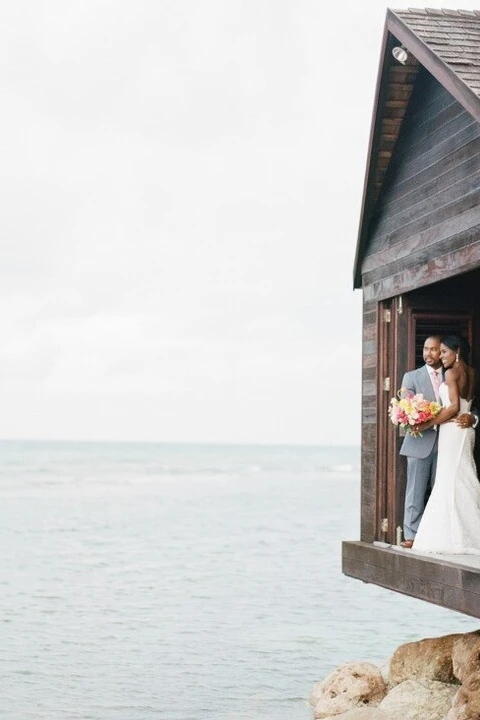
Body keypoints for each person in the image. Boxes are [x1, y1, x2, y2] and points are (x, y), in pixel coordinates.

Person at [398, 336, 476, 549]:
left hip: (450, 435)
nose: (431, 354)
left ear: (452, 351)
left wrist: (473, 418)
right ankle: (413, 535)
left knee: (445, 486)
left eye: (437, 350)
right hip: (422, 442)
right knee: (417, 491)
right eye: (427, 349)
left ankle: (445, 536)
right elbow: (405, 407)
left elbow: (460, 406)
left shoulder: (451, 371)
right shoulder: (411, 377)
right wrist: (414, 421)